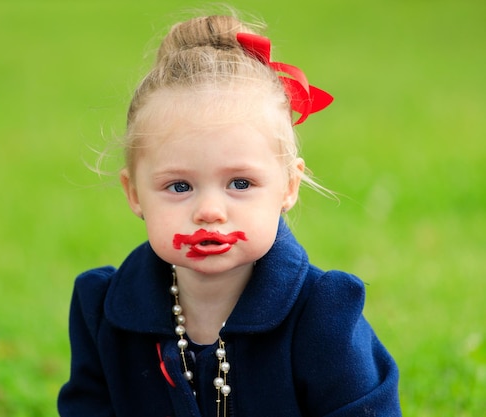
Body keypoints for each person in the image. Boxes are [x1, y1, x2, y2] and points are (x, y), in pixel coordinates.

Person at [58, 12, 402, 417]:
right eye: (179, 186)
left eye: (240, 183)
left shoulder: (323, 315)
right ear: (134, 194)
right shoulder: (104, 311)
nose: (209, 211)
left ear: (288, 186)